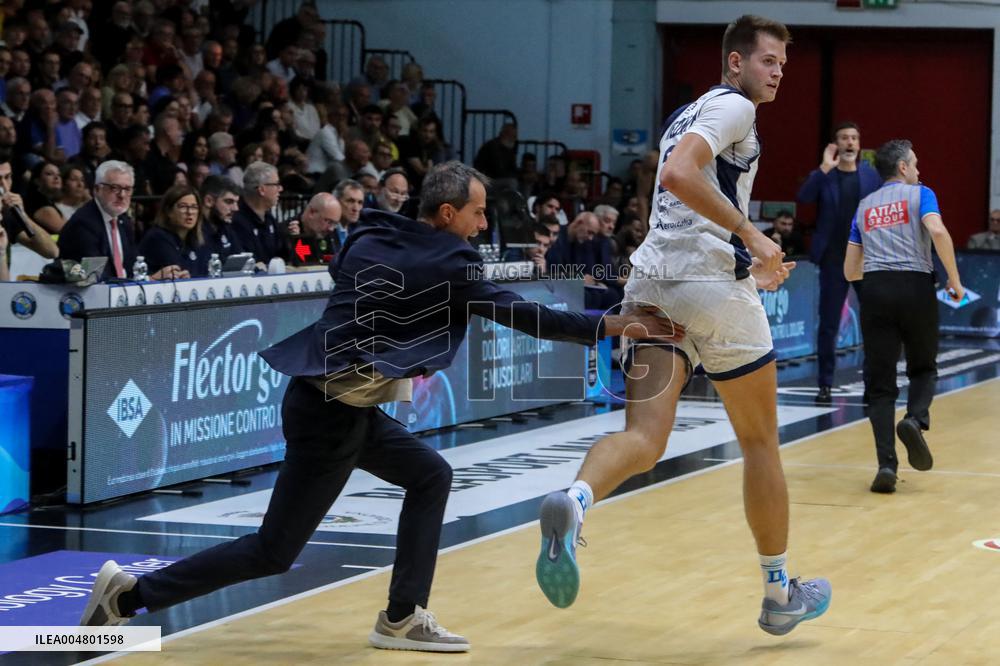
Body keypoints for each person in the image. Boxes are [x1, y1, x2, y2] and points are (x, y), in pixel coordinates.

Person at [78, 161, 682, 653]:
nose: (481, 225)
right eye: (476, 213)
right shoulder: (453, 262)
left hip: (331, 399)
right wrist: (616, 323)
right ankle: (130, 596)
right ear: (448, 214)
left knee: (431, 474)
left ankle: (402, 615)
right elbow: (531, 316)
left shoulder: (372, 231)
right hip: (332, 410)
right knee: (274, 550)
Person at [534, 15, 830, 637]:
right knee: (758, 443)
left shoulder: (683, 115)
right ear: (734, 63)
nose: (778, 72)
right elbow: (679, 177)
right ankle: (779, 594)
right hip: (711, 286)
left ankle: (576, 500)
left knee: (645, 438)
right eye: (768, 61)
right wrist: (749, 235)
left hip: (652, 278)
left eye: (782, 63)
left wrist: (743, 250)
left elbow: (677, 189)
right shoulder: (735, 109)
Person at [843, 140, 964, 494]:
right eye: (915, 164)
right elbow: (938, 231)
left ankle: (886, 466)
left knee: (879, 386)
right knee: (923, 367)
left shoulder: (864, 206)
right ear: (902, 168)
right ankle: (914, 419)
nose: (918, 170)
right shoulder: (920, 194)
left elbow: (850, 270)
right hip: (915, 286)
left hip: (876, 290)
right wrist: (954, 280)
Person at [797, 122, 881, 403]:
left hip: (865, 260)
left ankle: (871, 385)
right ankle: (825, 385)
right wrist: (823, 168)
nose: (850, 143)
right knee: (829, 325)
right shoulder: (826, 176)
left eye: (854, 138)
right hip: (833, 260)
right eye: (844, 138)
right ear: (835, 144)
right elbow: (803, 197)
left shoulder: (871, 177)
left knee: (872, 324)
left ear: (859, 145)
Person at [57, 160, 183, 281]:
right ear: (97, 190)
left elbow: (131, 267)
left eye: (127, 189)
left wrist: (156, 276)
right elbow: (95, 277)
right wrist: (148, 279)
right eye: (114, 188)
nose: (122, 195)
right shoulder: (84, 224)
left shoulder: (123, 221)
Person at [137, 185, 206, 278]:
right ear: (168, 211)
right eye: (183, 206)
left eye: (194, 207)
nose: (189, 212)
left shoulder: (195, 239)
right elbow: (179, 274)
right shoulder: (157, 238)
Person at [231, 161, 287, 265]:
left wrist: (293, 238)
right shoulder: (237, 221)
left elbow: (285, 256)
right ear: (262, 190)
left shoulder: (270, 219)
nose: (281, 189)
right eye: (276, 184)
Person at [285, 192, 342, 266]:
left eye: (335, 223)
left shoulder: (329, 233)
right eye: (328, 221)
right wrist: (296, 240)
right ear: (312, 212)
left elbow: (336, 263)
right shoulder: (287, 230)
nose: (331, 228)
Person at [199, 175, 243, 260]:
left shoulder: (225, 226)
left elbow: (240, 260)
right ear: (208, 201)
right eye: (229, 201)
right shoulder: (194, 231)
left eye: (236, 202)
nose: (236, 208)